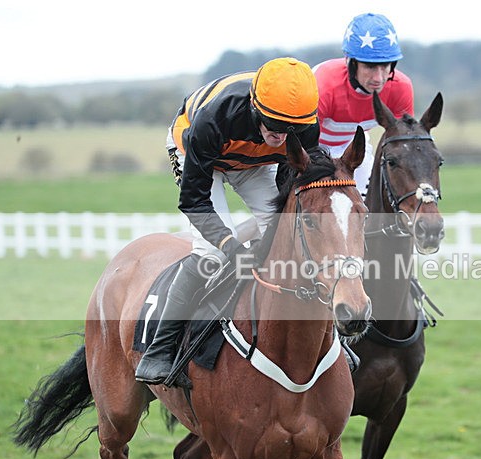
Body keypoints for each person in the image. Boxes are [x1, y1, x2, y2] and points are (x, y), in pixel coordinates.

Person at [135, 57, 320, 385]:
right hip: (200, 153)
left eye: (289, 129)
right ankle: (160, 348)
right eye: (272, 124)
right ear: (254, 108)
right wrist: (230, 245)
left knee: (286, 233)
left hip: (254, 161)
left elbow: (294, 188)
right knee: (212, 253)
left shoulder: (305, 126)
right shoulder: (212, 120)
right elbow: (194, 201)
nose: (279, 136)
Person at [312, 13, 414, 196]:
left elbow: (404, 146)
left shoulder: (401, 88)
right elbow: (307, 146)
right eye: (370, 66)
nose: (378, 78)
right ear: (351, 63)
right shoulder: (324, 85)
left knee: (363, 206)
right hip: (312, 143)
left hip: (354, 145)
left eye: (385, 66)